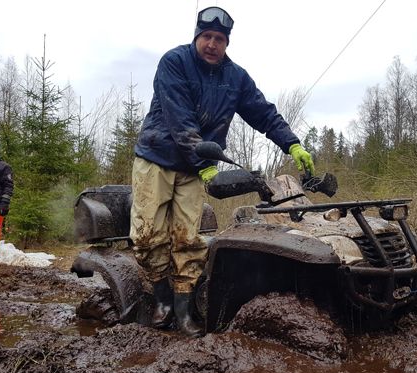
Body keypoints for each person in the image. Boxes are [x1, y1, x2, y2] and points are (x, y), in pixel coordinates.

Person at [130, 6, 315, 338]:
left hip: (194, 169)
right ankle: (161, 301)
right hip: (157, 158)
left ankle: (184, 313)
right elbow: (181, 121)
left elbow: (263, 113)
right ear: (197, 37)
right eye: (207, 37)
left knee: (188, 239)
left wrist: (293, 144)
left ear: (227, 43)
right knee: (147, 237)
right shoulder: (174, 63)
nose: (212, 44)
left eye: (219, 39)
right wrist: (206, 167)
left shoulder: (236, 78)